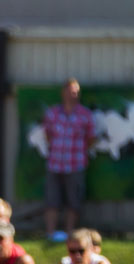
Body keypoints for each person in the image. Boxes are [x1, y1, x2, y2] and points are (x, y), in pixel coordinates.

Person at [42, 78, 96, 241]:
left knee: (74, 201)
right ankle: (50, 234)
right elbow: (47, 134)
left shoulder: (85, 114)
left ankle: (69, 234)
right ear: (63, 93)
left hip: (76, 164)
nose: (74, 94)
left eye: (77, 92)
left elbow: (91, 138)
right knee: (52, 199)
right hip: (55, 163)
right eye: (71, 91)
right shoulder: (53, 113)